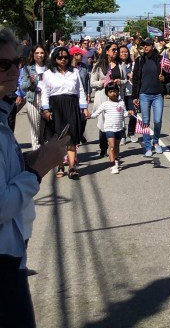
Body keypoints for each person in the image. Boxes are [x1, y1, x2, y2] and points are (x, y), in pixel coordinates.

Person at [0, 27, 68, 327]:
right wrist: (39, 169)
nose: (15, 70)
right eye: (4, 65)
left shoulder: (3, 115)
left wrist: (30, 159)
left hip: (12, 253)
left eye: (17, 61)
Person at [40, 46, 91, 180]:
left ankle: (72, 167)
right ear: (54, 58)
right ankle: (60, 165)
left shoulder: (74, 72)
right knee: (58, 138)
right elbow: (44, 92)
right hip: (55, 106)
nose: (63, 59)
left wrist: (84, 107)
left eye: (65, 57)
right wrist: (45, 109)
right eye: (59, 57)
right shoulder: (48, 74)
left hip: (71, 105)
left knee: (71, 137)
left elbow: (80, 90)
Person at [132, 38, 170, 157]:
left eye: (147, 45)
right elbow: (135, 79)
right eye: (143, 45)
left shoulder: (160, 60)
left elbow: (169, 75)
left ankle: (156, 143)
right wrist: (135, 96)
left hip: (158, 94)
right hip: (144, 95)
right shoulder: (139, 61)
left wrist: (165, 78)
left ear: (152, 46)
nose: (145, 47)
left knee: (157, 121)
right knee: (145, 122)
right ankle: (147, 146)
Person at [90, 83, 133, 174]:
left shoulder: (121, 103)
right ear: (107, 93)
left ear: (117, 92)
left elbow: (124, 114)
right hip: (109, 128)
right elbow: (96, 114)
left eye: (114, 91)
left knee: (117, 147)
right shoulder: (105, 104)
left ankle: (116, 160)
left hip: (119, 128)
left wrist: (129, 113)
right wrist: (89, 115)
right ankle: (113, 165)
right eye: (110, 91)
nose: (113, 93)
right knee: (112, 146)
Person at [91, 41, 124, 158]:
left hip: (116, 99)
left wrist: (121, 82)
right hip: (102, 98)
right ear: (106, 51)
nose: (116, 52)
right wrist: (103, 82)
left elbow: (125, 81)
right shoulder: (98, 66)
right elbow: (92, 83)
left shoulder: (120, 65)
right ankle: (103, 148)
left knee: (115, 123)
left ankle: (114, 149)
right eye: (113, 50)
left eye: (117, 50)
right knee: (104, 124)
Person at [19, 45, 47, 151]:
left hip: (47, 98)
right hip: (34, 98)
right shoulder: (28, 68)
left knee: (46, 126)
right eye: (37, 53)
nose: (40, 55)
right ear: (33, 55)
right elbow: (23, 86)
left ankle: (45, 149)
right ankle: (36, 150)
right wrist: (31, 82)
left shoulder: (49, 68)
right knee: (35, 126)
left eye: (42, 53)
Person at [118, 45, 137, 141]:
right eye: (121, 52)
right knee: (120, 114)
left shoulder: (133, 64)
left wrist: (133, 77)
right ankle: (122, 135)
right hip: (119, 93)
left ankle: (131, 132)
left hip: (130, 92)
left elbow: (137, 78)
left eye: (125, 52)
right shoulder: (116, 64)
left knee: (133, 113)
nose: (124, 53)